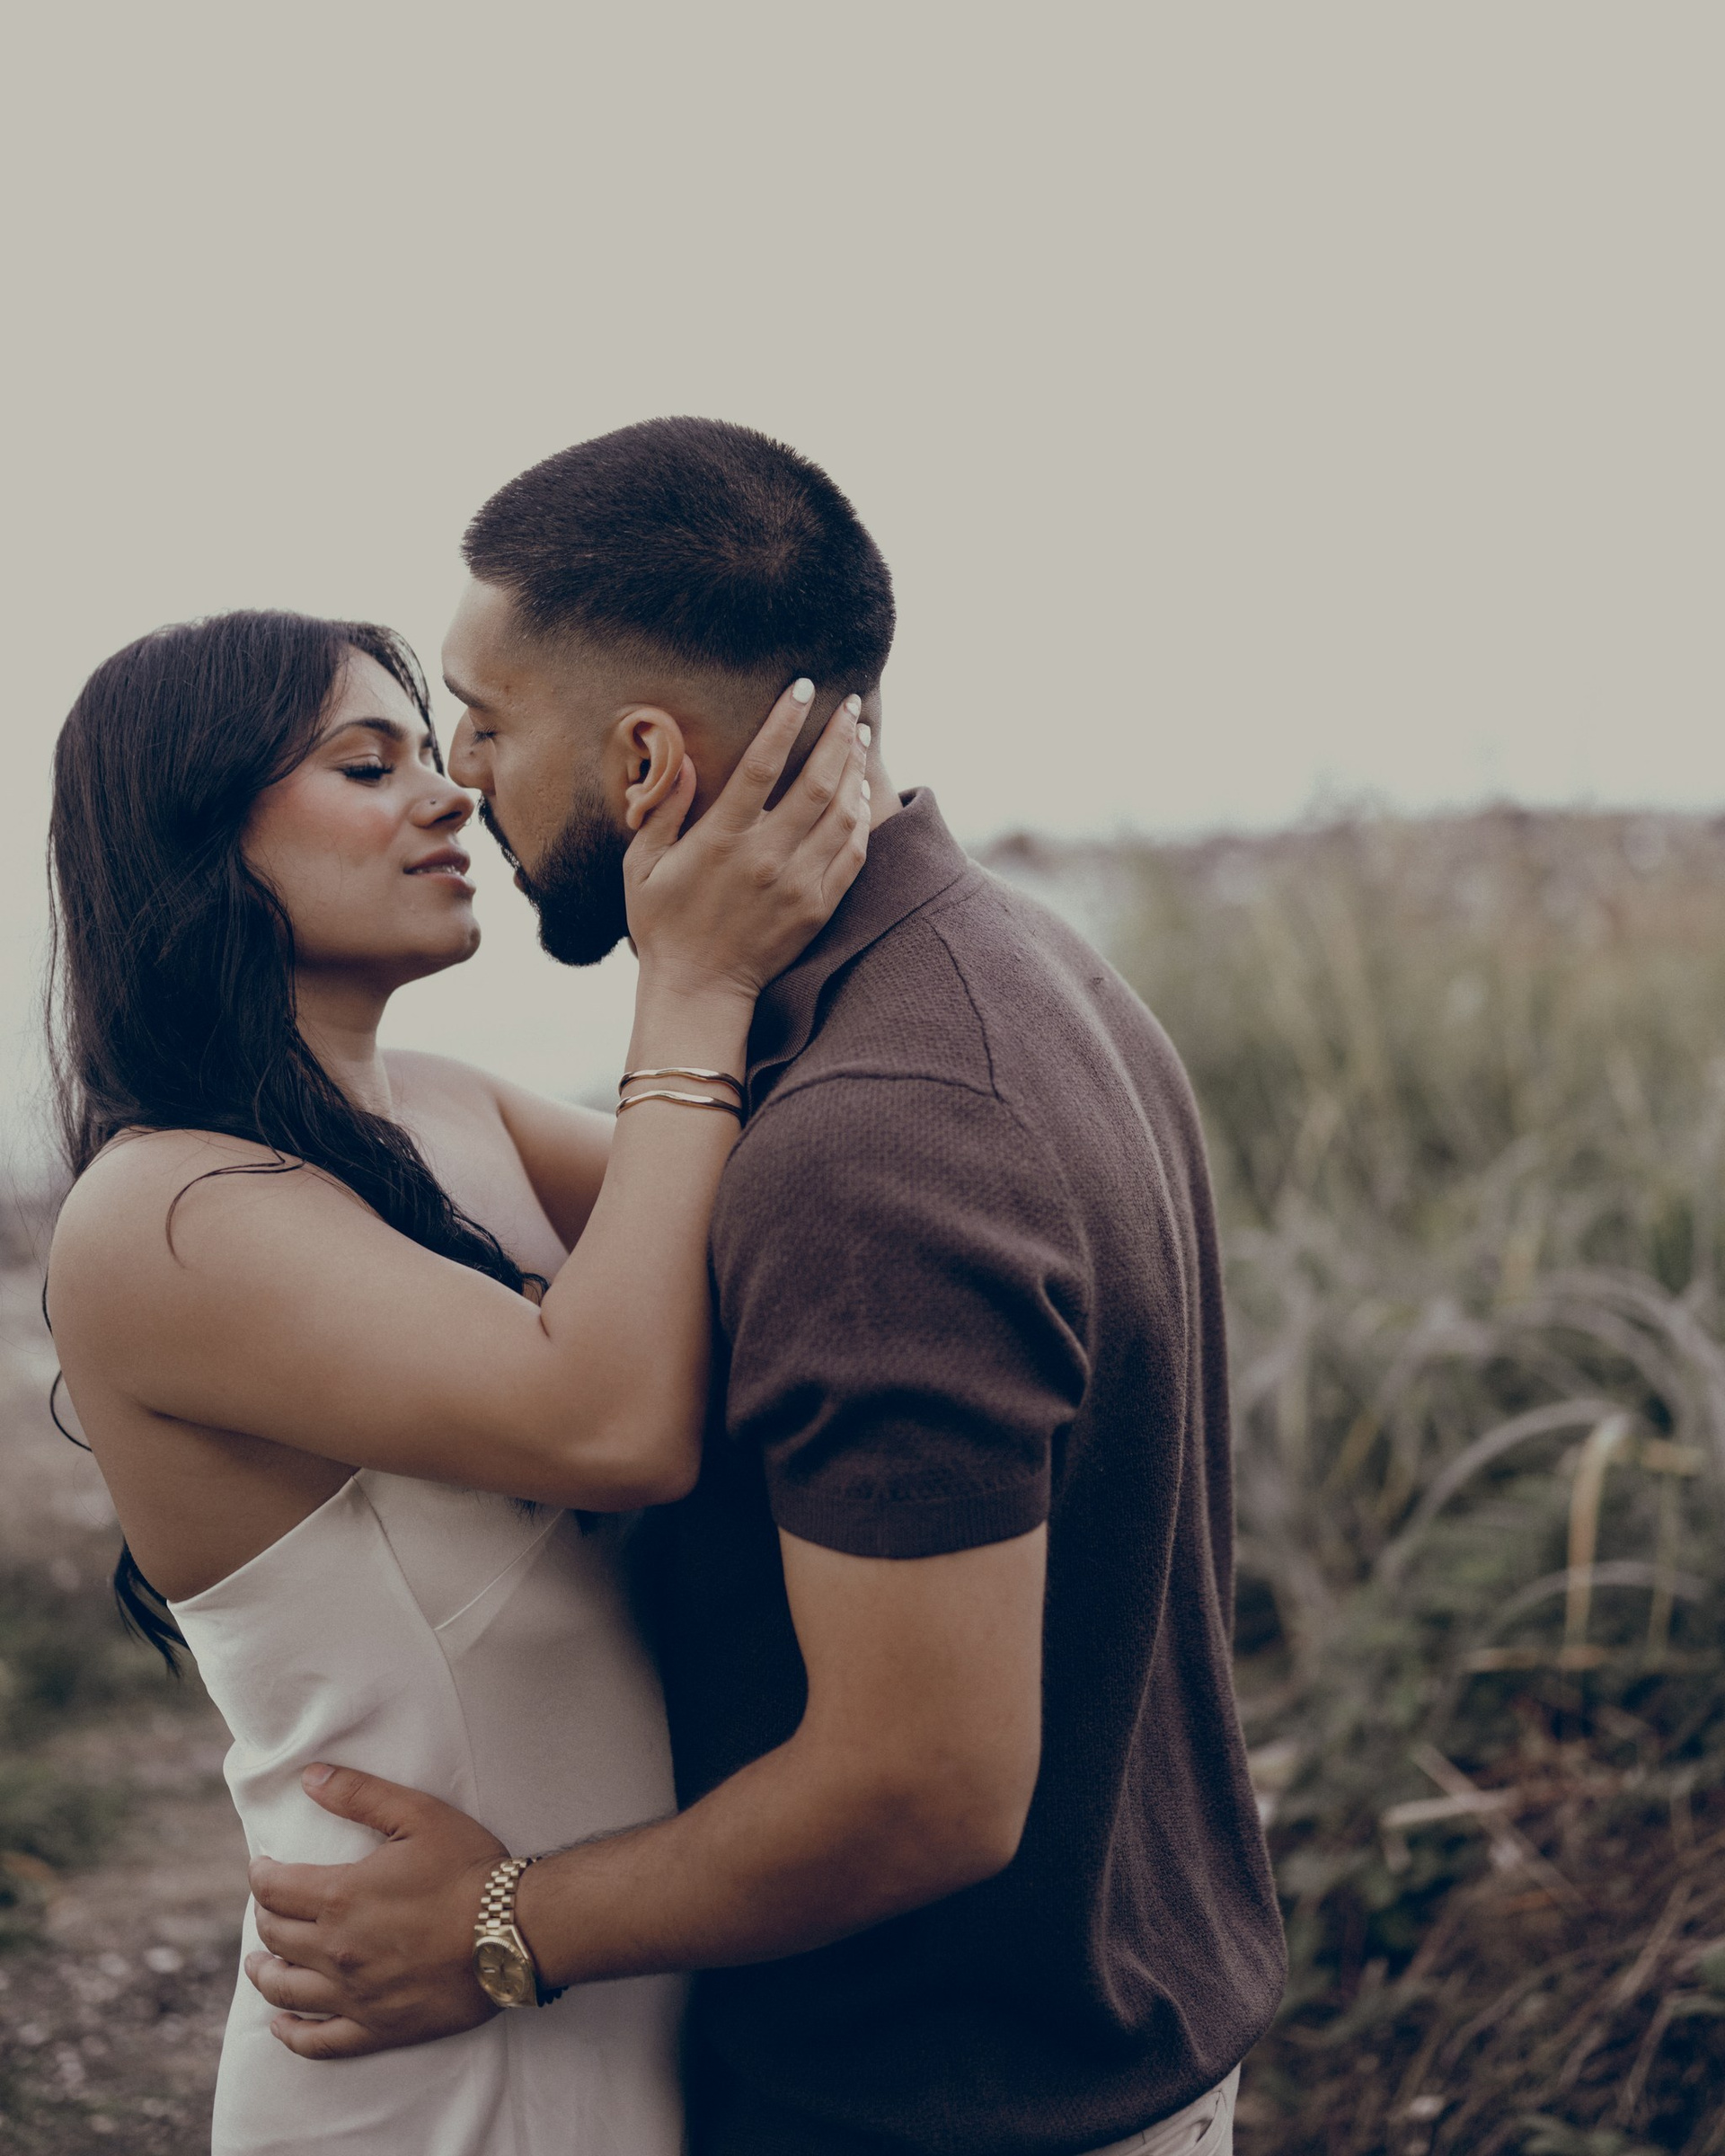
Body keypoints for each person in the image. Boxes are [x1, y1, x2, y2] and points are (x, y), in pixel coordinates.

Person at [243, 418, 1287, 2156]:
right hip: (1097, 2046)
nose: (463, 780)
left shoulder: (876, 1143)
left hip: (942, 2104)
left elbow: (922, 1787)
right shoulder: (1020, 964)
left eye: (485, 723)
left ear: (645, 758)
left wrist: (500, 1925)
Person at [44, 604, 870, 2155]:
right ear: (197, 835)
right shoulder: (161, 1210)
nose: (451, 796)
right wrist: (693, 979)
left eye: (436, 752)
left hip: (588, 1989)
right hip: (420, 2064)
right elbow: (615, 1423)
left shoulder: (443, 1109)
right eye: (370, 765)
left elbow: (772, 1235)